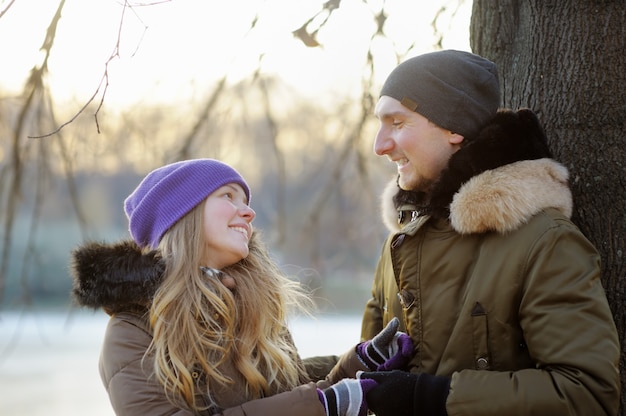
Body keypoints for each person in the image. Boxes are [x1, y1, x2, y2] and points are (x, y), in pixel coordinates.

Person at [352, 50, 620, 415]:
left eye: (397, 123)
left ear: (453, 127)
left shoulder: (545, 242)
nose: (379, 145)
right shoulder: (399, 242)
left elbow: (587, 394)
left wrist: (433, 397)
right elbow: (360, 374)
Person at [70, 158, 412, 416]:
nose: (247, 212)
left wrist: (358, 364)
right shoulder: (132, 331)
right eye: (228, 196)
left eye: (246, 201)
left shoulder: (256, 307)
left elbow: (290, 396)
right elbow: (303, 406)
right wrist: (321, 405)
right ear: (183, 216)